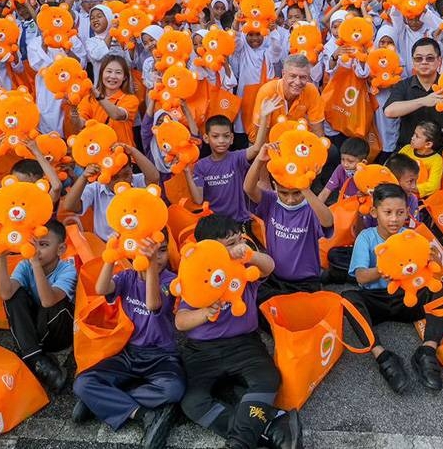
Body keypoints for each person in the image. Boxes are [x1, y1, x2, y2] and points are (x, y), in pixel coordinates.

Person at [176, 215, 302, 449]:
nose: (237, 247)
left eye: (238, 240)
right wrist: (204, 312)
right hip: (201, 352)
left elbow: (269, 267)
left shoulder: (244, 270)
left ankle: (239, 442)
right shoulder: (195, 276)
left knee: (268, 379)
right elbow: (180, 321)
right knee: (192, 402)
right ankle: (271, 426)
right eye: (229, 244)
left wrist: (250, 254)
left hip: (244, 344)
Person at [73, 237, 184, 448]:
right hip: (128, 352)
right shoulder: (127, 276)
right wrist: (110, 256)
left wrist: (150, 265)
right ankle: (142, 415)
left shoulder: (172, 281)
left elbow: (153, 304)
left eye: (162, 251)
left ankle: (102, 401)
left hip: (162, 355)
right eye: (151, 252)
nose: (157, 257)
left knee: (174, 389)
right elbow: (102, 288)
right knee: (82, 383)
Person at [342, 183, 443, 393]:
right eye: (387, 212)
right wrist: (384, 268)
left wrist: (431, 260)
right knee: (347, 298)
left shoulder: (412, 236)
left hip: (406, 299)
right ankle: (382, 355)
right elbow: (361, 277)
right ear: (374, 212)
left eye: (400, 213)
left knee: (442, 290)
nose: (394, 219)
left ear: (407, 212)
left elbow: (430, 271)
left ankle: (427, 351)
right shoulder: (367, 237)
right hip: (377, 299)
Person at [243, 142, 333, 305]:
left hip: (306, 281)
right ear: (275, 186)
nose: (290, 199)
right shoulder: (271, 201)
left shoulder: (311, 208)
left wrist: (304, 188)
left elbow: (328, 221)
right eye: (284, 193)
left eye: (296, 193)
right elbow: (248, 188)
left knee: (303, 315)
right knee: (257, 304)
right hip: (275, 278)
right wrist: (259, 160)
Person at [383, 38, 443, 183]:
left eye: (429, 58)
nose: (424, 62)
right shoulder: (404, 86)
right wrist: (423, 101)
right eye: (419, 58)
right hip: (412, 150)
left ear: (439, 61)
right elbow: (389, 112)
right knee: (387, 175)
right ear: (413, 61)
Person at [0, 219, 76, 393]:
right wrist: (0, 257)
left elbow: (48, 301)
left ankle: (30, 356)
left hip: (59, 333)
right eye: (34, 243)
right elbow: (6, 294)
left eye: (44, 244)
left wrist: (36, 264)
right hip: (35, 333)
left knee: (54, 302)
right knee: (15, 296)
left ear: (60, 249)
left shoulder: (67, 269)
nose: (36, 249)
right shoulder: (25, 265)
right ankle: (36, 358)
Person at [185, 101, 277, 225]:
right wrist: (187, 173)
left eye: (226, 136)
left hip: (239, 221)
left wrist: (264, 117)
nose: (221, 140)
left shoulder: (237, 157)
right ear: (206, 138)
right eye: (215, 136)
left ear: (232, 138)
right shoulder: (201, 166)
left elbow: (256, 148)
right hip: (215, 224)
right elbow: (198, 199)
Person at [398, 121, 443, 198]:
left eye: (417, 136)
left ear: (428, 144)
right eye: (414, 134)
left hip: (418, 196)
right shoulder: (406, 149)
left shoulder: (436, 160)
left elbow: (433, 186)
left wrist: (409, 187)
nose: (412, 138)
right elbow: (394, 167)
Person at [319, 137, 370, 202]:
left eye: (350, 161)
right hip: (343, 206)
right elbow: (326, 191)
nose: (345, 164)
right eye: (342, 159)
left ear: (363, 162)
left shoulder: (368, 174)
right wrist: (312, 211)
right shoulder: (340, 169)